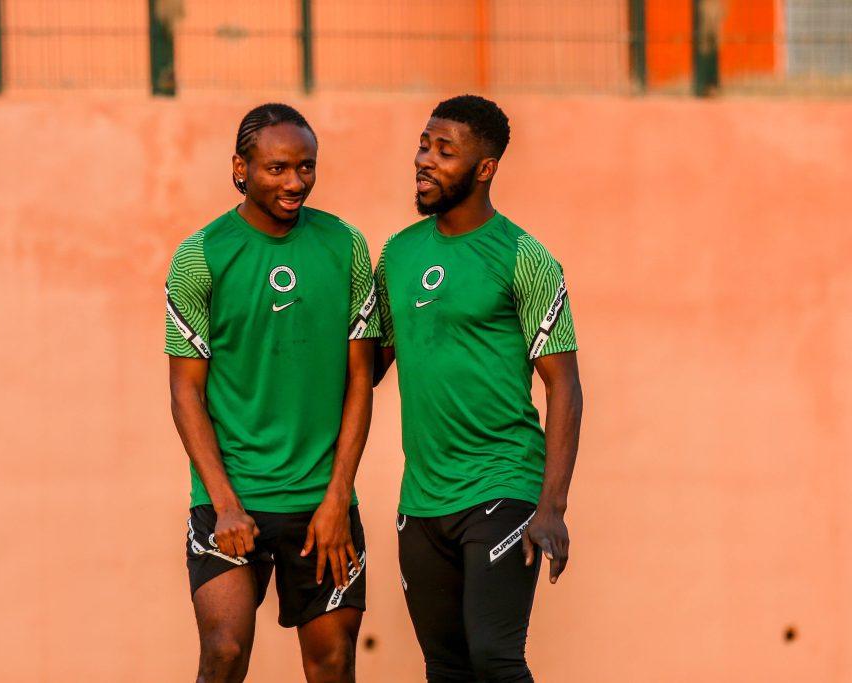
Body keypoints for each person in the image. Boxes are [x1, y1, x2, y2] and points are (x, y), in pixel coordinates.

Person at [165, 103, 379, 683]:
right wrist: (225, 502)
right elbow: (185, 390)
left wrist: (338, 498)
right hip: (230, 497)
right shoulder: (199, 256)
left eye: (306, 167)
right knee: (225, 652)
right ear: (240, 168)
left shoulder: (346, 245)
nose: (295, 182)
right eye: (278, 168)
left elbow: (362, 377)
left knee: (332, 662)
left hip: (322, 503)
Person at [374, 95, 583, 682]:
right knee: (446, 667)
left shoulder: (525, 257)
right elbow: (367, 371)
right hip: (421, 499)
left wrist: (552, 507)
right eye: (424, 145)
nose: (425, 160)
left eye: (445, 151)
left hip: (502, 486)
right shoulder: (397, 254)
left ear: (484, 168)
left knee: (494, 658)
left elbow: (564, 386)